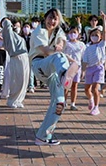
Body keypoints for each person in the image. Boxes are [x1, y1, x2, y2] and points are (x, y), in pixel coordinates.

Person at [29, 8, 77, 146]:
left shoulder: (59, 32)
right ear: (45, 18)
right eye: (50, 18)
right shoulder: (39, 31)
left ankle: (43, 136)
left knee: (60, 103)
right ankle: (65, 75)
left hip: (53, 71)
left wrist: (60, 47)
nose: (52, 21)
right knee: (59, 56)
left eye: (55, 19)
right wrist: (58, 52)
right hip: (39, 64)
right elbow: (46, 50)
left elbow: (61, 43)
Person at [0, 17, 29, 108]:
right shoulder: (8, 34)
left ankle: (19, 100)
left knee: (24, 80)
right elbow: (7, 25)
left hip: (24, 57)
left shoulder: (18, 36)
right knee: (17, 81)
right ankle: (12, 100)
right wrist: (7, 22)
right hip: (16, 57)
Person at [81, 12, 106, 115]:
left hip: (99, 68)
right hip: (89, 69)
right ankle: (91, 100)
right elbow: (85, 60)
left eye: (96, 35)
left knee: (95, 88)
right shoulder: (87, 47)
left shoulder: (101, 45)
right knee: (87, 89)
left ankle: (96, 107)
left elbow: (105, 32)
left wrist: (104, 19)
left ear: (100, 37)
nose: (94, 37)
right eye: (92, 35)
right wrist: (83, 71)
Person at [63, 26, 86, 111]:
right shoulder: (66, 43)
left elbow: (84, 57)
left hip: (77, 67)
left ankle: (73, 103)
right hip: (67, 66)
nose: (72, 34)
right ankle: (64, 102)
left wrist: (83, 70)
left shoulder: (81, 44)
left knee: (74, 86)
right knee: (66, 85)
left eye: (74, 32)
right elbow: (63, 54)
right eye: (71, 32)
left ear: (78, 34)